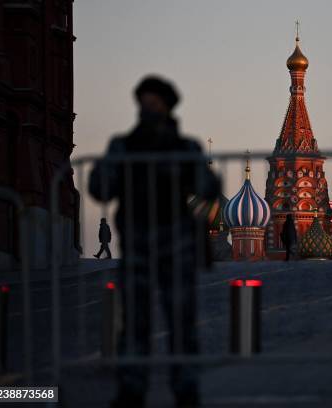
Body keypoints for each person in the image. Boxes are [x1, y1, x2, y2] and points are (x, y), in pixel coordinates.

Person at [89, 75, 221, 408]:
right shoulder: (123, 146)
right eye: (143, 101)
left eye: (154, 102)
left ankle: (186, 388)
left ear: (167, 105)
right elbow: (100, 188)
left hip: (176, 244)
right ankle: (132, 388)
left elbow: (207, 189)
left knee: (181, 320)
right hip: (136, 244)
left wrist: (186, 191)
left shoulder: (185, 148)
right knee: (134, 321)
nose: (148, 108)